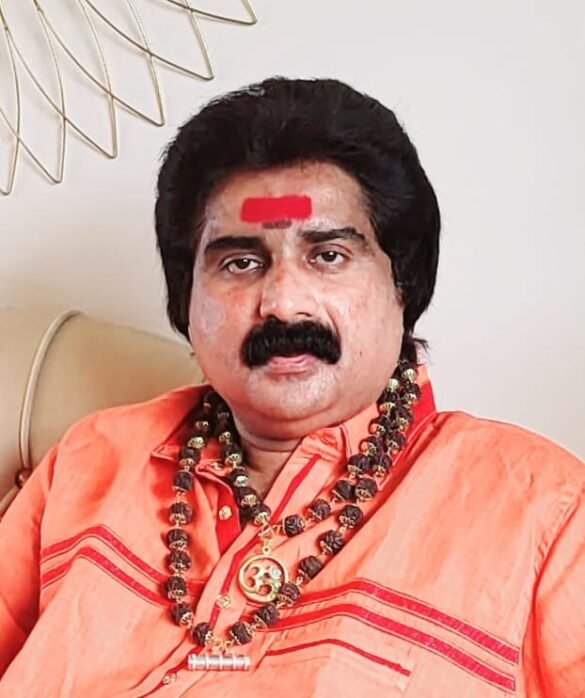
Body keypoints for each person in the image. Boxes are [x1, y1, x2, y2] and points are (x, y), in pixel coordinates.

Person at [0, 77, 583, 697]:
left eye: (328, 255)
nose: (282, 303)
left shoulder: (546, 514)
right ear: (187, 302)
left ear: (403, 285)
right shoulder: (91, 460)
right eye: (241, 262)